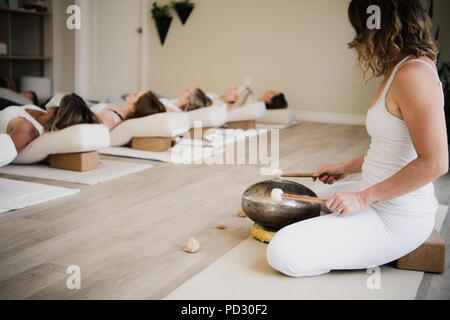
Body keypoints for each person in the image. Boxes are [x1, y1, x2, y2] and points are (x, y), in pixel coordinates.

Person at [267, 0, 448, 278]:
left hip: (395, 216)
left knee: (282, 250)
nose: (359, 37)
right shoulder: (400, 67)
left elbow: (435, 163)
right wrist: (347, 167)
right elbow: (394, 150)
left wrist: (364, 198)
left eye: (361, 27)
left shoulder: (413, 75)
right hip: (374, 193)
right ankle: (345, 235)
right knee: (291, 200)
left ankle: (362, 243)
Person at [0, 93, 100, 153]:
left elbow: (4, 153)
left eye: (61, 98)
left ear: (53, 108)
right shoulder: (42, 113)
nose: (56, 97)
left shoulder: (26, 129)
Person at [91, 91, 166, 131]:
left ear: (133, 107)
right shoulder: (119, 109)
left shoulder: (109, 118)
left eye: (135, 95)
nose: (133, 92)